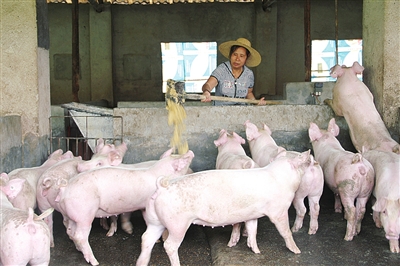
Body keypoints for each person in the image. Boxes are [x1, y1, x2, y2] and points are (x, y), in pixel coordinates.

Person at [201, 37, 266, 106]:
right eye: (235, 54)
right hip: (221, 112)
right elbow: (208, 85)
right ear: (230, 55)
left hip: (241, 112)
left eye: (241, 56)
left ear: (246, 58)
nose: (237, 59)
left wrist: (256, 102)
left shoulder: (248, 74)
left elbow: (249, 93)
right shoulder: (222, 69)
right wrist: (206, 92)